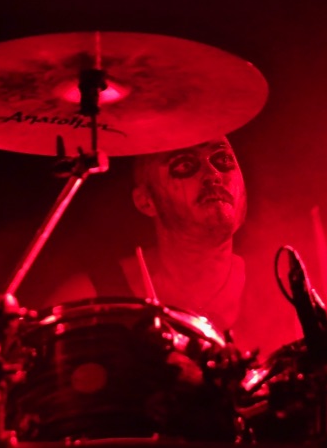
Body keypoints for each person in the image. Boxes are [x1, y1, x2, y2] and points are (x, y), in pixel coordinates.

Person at [48, 135, 248, 331]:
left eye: (223, 160)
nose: (213, 175)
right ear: (145, 201)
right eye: (185, 165)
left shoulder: (265, 281)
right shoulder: (87, 301)